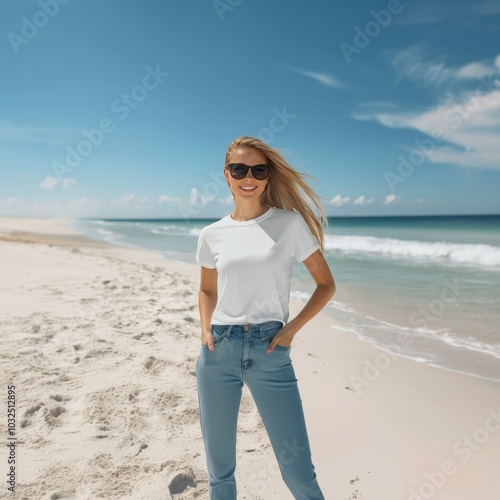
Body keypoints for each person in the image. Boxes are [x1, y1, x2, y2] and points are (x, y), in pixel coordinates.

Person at [195, 135, 336, 499]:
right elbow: (207, 289)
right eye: (240, 168)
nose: (249, 176)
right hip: (219, 350)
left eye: (259, 169)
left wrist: (290, 330)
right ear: (226, 174)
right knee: (219, 472)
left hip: (270, 350)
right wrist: (205, 330)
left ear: (268, 176)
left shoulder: (288, 224)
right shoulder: (212, 234)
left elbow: (325, 285)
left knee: (299, 473)